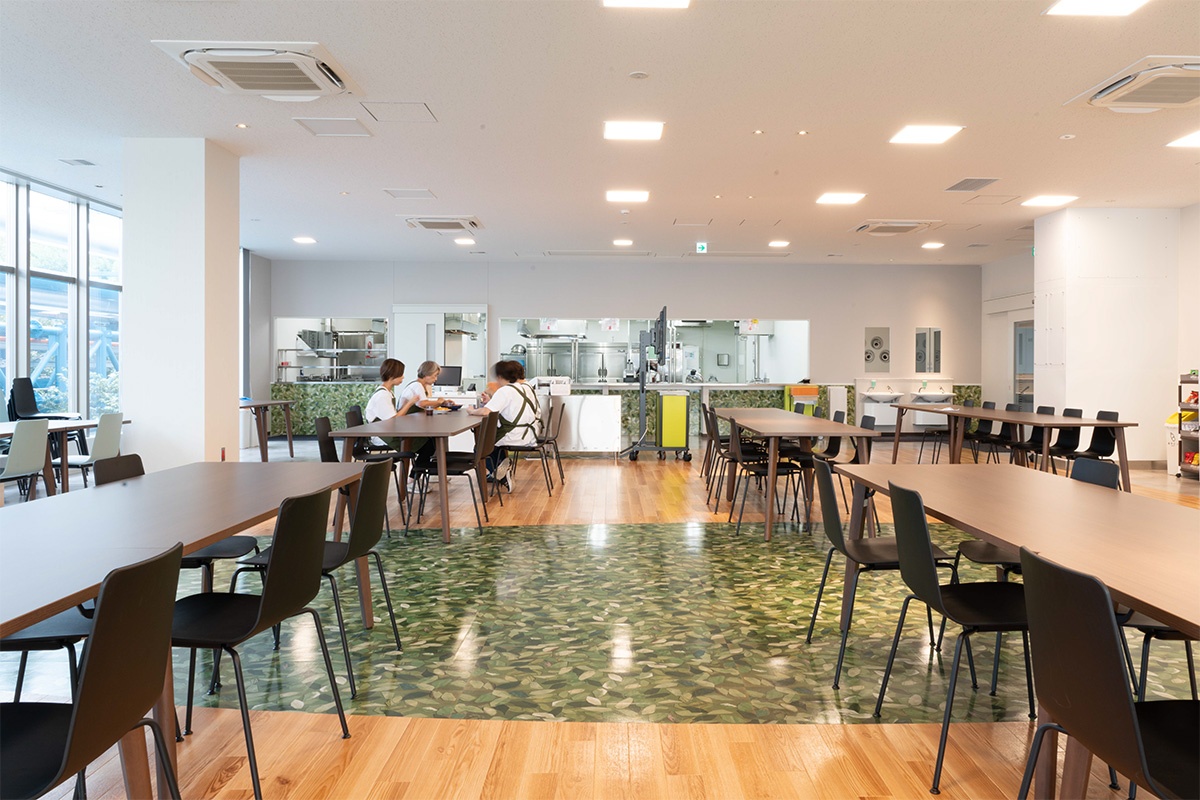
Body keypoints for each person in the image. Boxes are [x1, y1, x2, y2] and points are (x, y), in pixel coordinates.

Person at [468, 359, 540, 490]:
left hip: (515, 435)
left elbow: (485, 412)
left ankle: (499, 473)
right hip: (531, 433)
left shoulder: (505, 390)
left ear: (501, 377)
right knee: (492, 441)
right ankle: (500, 471)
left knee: (481, 446)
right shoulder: (527, 387)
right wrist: (491, 401)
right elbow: (511, 406)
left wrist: (472, 411)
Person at [396, 360, 454, 474]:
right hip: (406, 427)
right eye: (434, 376)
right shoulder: (417, 385)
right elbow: (423, 403)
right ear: (427, 374)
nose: (436, 379)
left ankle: (424, 473)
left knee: (432, 443)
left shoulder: (419, 385)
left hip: (411, 424)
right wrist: (439, 402)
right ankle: (414, 476)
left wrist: (442, 403)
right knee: (429, 446)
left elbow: (424, 403)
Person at [364, 358, 407, 451]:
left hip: (386, 432)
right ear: (392, 375)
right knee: (420, 443)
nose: (403, 377)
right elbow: (393, 420)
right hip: (382, 437)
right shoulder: (382, 395)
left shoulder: (387, 392)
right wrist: (409, 404)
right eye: (401, 374)